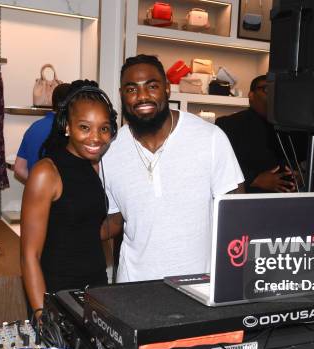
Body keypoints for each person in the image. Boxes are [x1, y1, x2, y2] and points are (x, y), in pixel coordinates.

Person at [101, 54, 244, 282]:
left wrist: (229, 278)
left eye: (152, 86)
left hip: (199, 286)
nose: (142, 96)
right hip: (134, 289)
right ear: (121, 95)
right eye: (131, 89)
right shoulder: (109, 152)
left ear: (167, 89)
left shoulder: (210, 138)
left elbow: (237, 213)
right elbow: (114, 221)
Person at [20, 80, 116, 312]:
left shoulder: (94, 167)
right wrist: (43, 314)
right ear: (67, 127)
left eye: (103, 128)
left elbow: (91, 230)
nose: (96, 137)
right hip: (58, 294)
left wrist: (129, 215)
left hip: (96, 292)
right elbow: (29, 255)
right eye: (85, 127)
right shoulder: (47, 172)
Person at [216, 75, 294, 193]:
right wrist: (254, 179)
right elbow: (219, 162)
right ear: (251, 95)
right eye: (267, 89)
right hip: (249, 199)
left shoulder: (295, 128)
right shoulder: (229, 124)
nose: (274, 95)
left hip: (292, 202)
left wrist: (302, 175)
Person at [14, 83, 71, 183]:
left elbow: (19, 168)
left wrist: (37, 185)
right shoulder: (71, 130)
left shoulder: (34, 127)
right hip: (65, 197)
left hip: (36, 195)